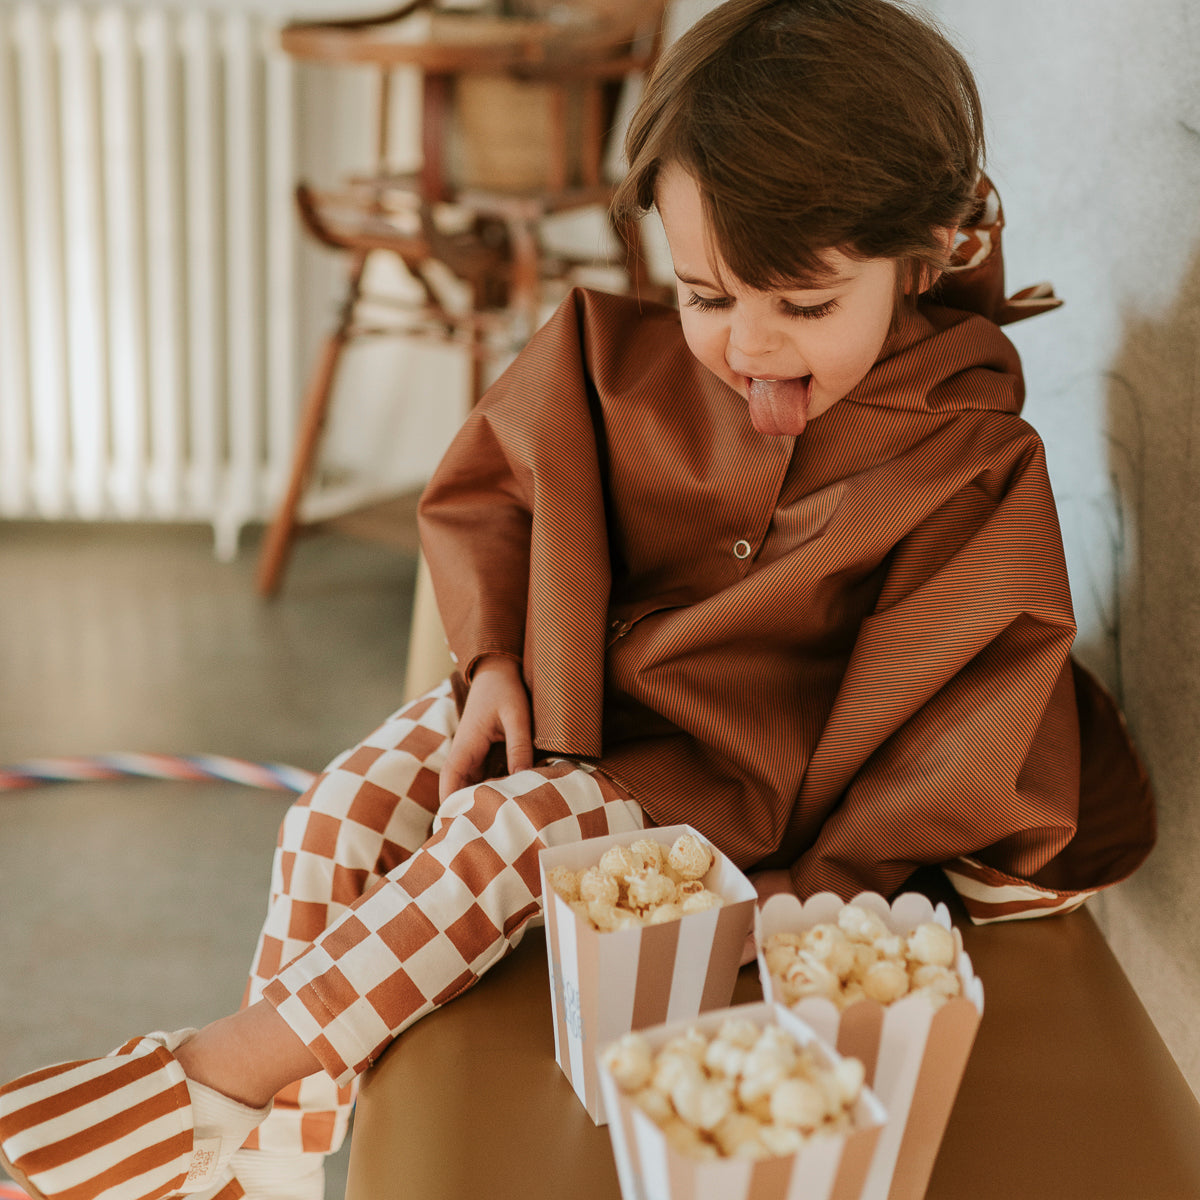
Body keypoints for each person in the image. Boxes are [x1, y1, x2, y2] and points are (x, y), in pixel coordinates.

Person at [0, 0, 1155, 1197]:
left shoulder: (966, 457)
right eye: (708, 295)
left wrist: (826, 892)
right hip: (558, 704)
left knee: (503, 838)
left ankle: (215, 1080)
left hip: (739, 790)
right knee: (338, 811)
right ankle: (274, 1173)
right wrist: (493, 660)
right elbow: (498, 491)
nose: (749, 347)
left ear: (916, 258)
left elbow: (961, 699)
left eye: (803, 306)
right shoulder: (612, 360)